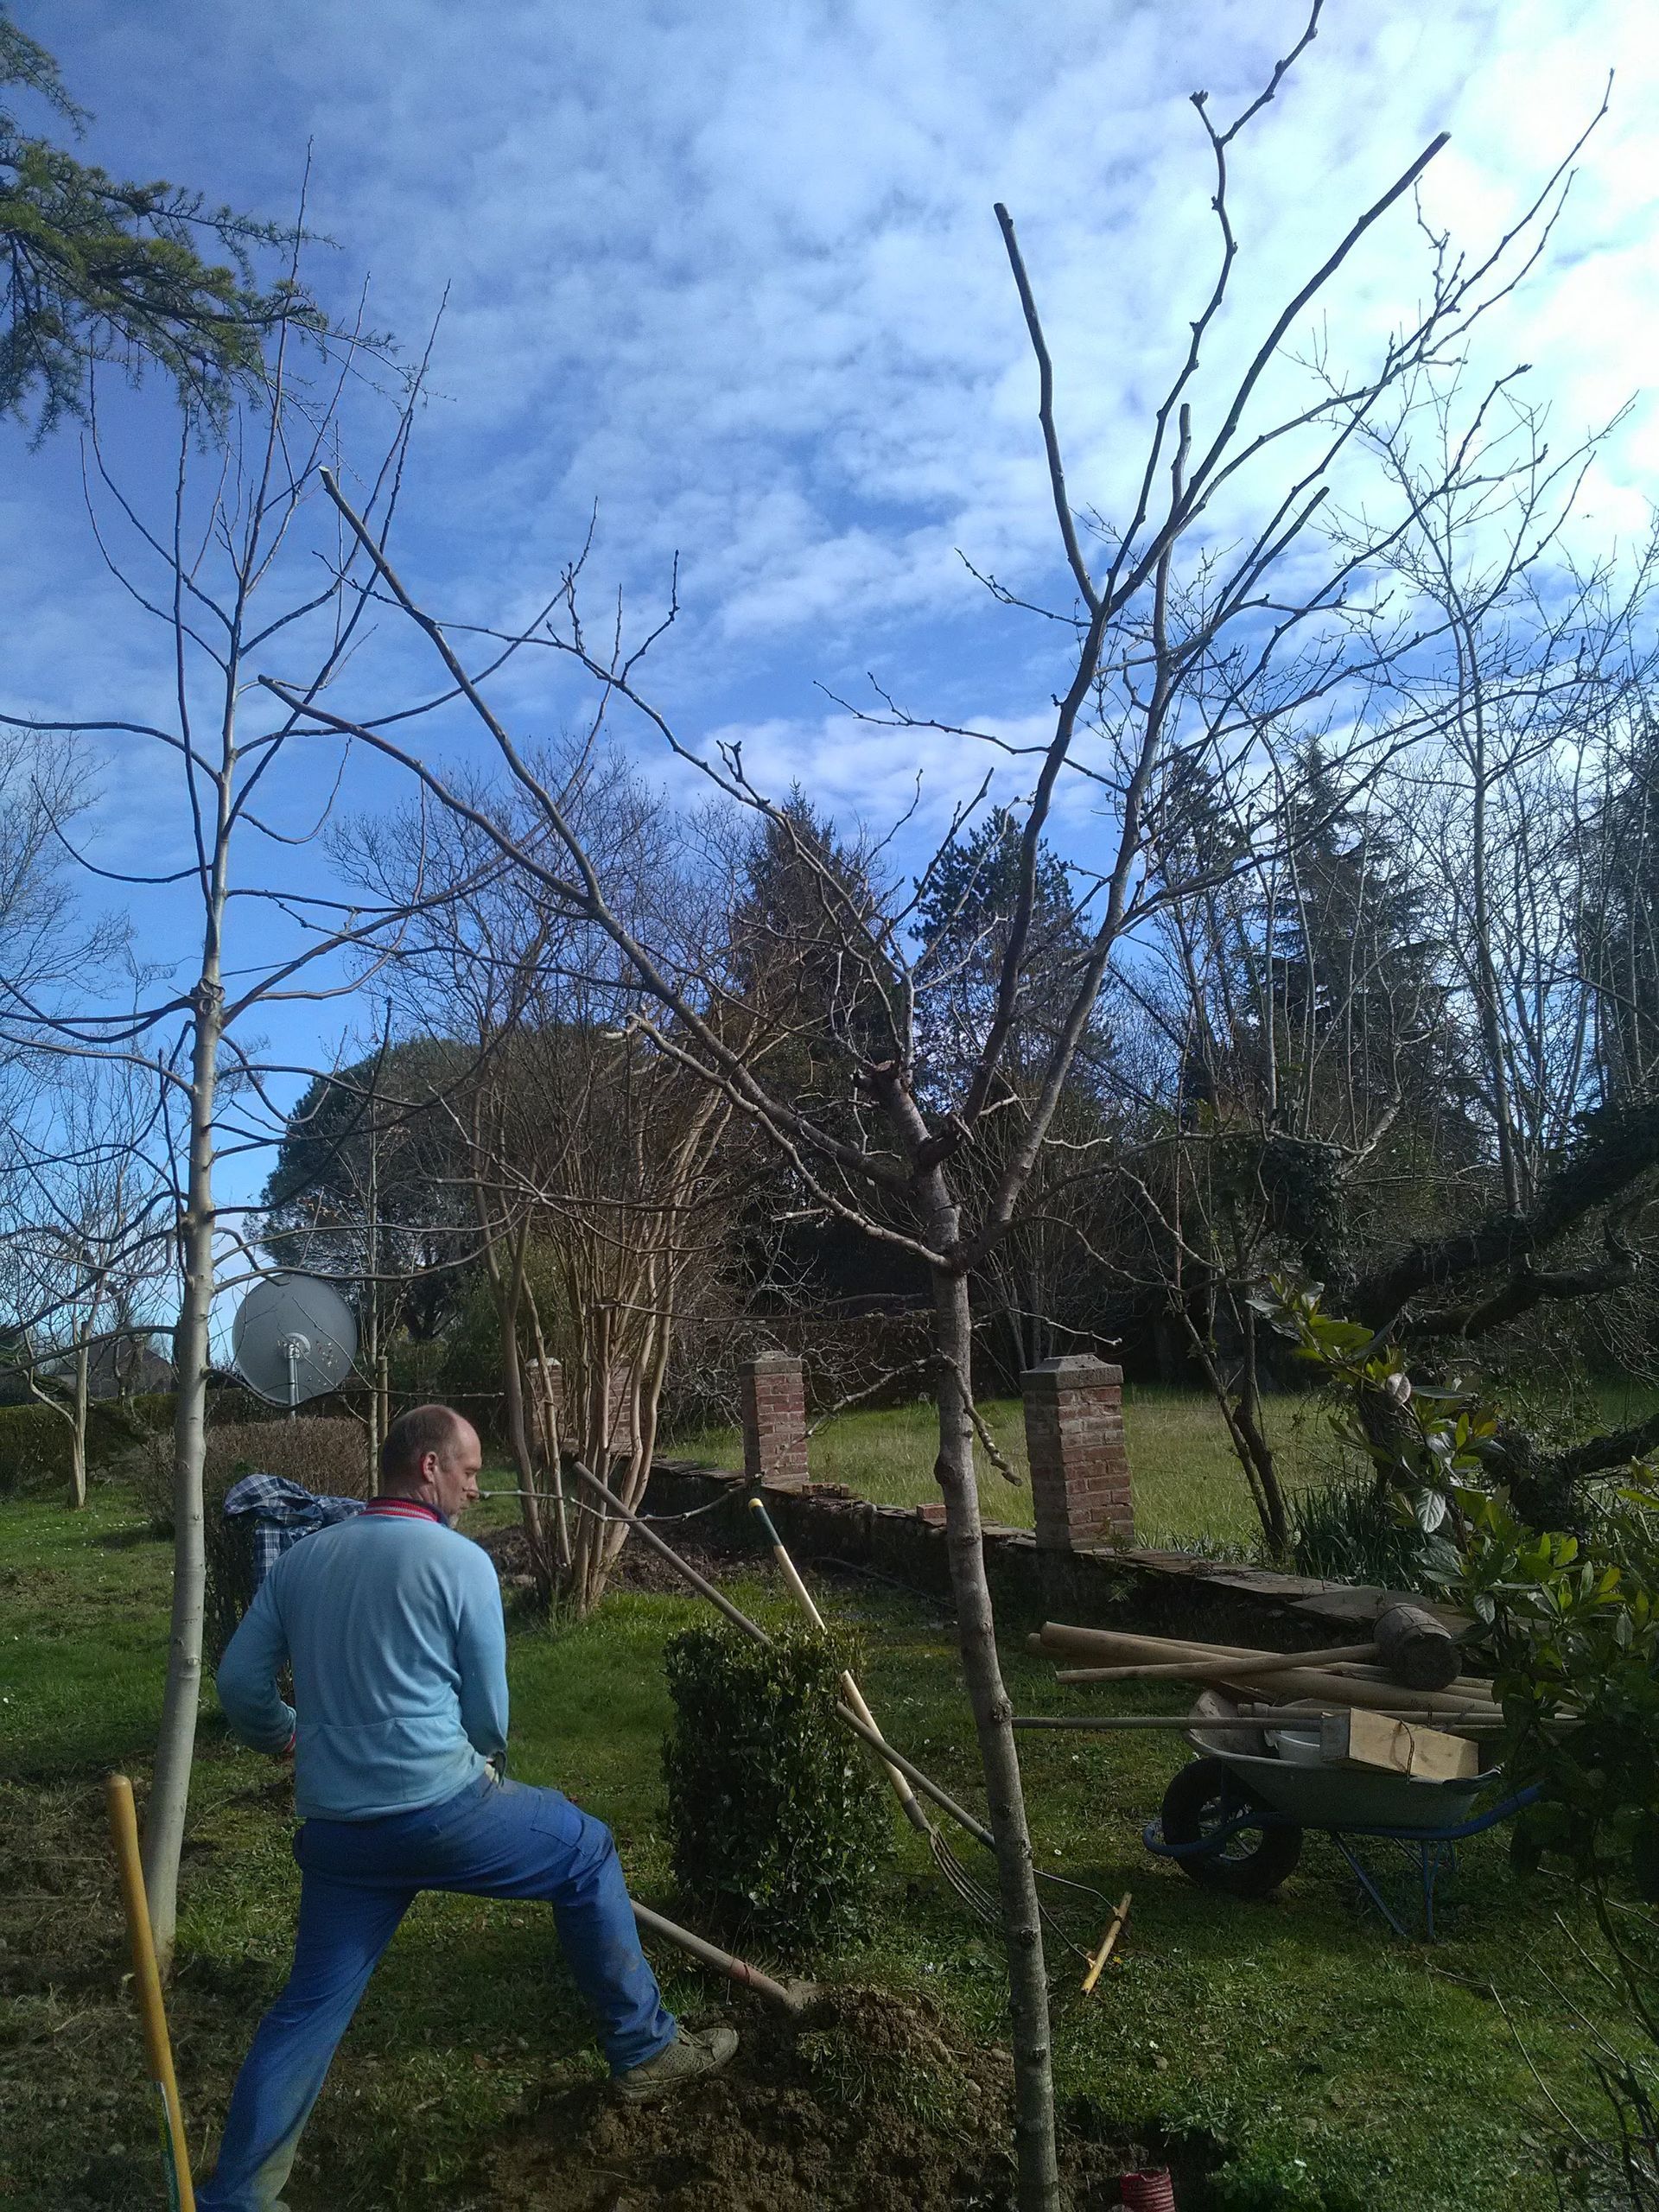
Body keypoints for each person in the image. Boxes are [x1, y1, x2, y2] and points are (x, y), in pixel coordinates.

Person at [198, 1402, 735, 2212]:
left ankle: (239, 2196)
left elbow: (239, 1683)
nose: (477, 1489)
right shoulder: (459, 1563)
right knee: (585, 1851)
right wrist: (488, 1765)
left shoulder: (302, 1563)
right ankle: (644, 2051)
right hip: (442, 1810)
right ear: (429, 1467)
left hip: (343, 1838)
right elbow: (488, 1711)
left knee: (306, 2011)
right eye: (471, 1470)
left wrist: (286, 1738)